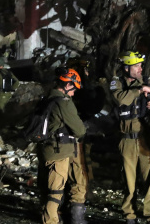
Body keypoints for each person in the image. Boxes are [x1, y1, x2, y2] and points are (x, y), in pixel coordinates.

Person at [110, 51, 150, 224]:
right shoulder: (117, 83)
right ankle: (129, 215)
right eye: (136, 65)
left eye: (140, 65)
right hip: (127, 139)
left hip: (145, 138)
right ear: (126, 68)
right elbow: (120, 99)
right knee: (129, 181)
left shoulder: (148, 82)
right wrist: (140, 90)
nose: (140, 69)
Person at [41, 67, 87, 224]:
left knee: (49, 188)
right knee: (55, 191)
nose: (74, 93)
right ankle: (50, 221)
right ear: (68, 85)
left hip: (47, 149)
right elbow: (79, 130)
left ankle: (53, 218)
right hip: (59, 152)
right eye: (74, 89)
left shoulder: (47, 98)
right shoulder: (64, 103)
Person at [0, 56, 19, 124]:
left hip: (0, 96)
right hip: (9, 95)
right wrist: (11, 89)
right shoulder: (8, 72)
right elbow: (17, 82)